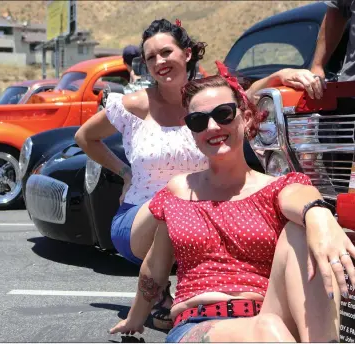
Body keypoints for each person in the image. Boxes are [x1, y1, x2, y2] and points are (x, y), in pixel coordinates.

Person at [75, 18, 335, 330]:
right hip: (141, 217)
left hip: (203, 207)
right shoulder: (135, 104)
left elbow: (242, 98)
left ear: (186, 53)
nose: (159, 62)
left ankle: (230, 296)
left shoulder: (207, 98)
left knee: (225, 217)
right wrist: (124, 173)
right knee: (174, 201)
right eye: (150, 57)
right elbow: (84, 137)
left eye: (166, 52)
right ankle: (159, 297)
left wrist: (280, 75)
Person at [108, 63, 355, 342]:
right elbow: (155, 266)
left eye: (223, 114)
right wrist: (135, 318)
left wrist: (319, 216)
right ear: (191, 131)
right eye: (198, 121)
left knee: (301, 230)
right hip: (199, 322)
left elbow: (300, 196)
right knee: (267, 330)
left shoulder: (274, 188)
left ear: (246, 118)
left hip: (269, 314)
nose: (212, 126)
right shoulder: (179, 191)